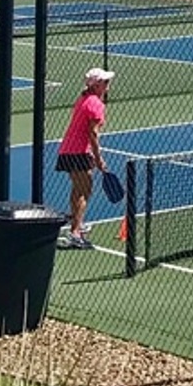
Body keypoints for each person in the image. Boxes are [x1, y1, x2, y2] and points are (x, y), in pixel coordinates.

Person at [55, 67, 114, 249]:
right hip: (80, 152)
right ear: (96, 85)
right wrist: (98, 158)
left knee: (79, 189)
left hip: (67, 150)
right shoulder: (96, 104)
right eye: (105, 82)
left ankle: (77, 225)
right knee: (84, 191)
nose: (108, 84)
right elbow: (93, 134)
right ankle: (75, 233)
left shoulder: (83, 99)